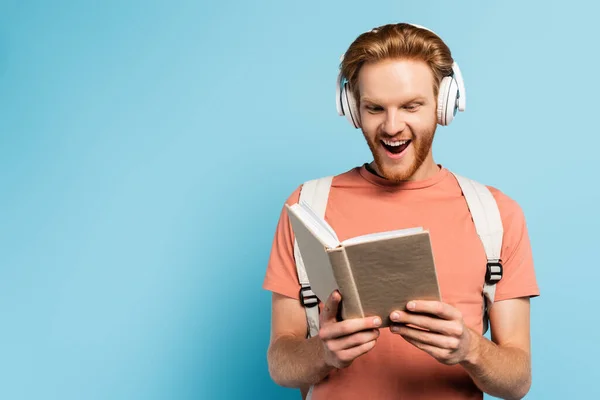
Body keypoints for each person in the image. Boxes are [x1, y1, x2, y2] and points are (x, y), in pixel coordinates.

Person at [262, 22, 539, 400]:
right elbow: (281, 361)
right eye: (375, 108)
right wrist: (323, 353)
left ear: (444, 104)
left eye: (411, 106)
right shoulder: (306, 205)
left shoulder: (496, 215)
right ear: (352, 109)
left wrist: (471, 349)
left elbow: (517, 381)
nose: (392, 127)